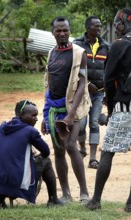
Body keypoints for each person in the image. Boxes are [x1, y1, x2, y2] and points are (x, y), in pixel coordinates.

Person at [86, 8, 131, 212]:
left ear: (121, 25)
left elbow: (108, 79)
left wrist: (112, 105)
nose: (115, 29)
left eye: (117, 25)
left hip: (125, 106)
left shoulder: (119, 45)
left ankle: (96, 200)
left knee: (107, 151)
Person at [41, 16, 91, 204]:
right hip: (54, 109)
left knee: (71, 146)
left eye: (65, 30)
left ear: (70, 31)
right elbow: (49, 84)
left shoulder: (79, 53)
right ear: (53, 32)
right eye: (58, 30)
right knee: (58, 150)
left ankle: (85, 193)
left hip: (73, 109)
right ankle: (66, 194)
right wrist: (45, 116)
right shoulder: (51, 53)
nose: (62, 33)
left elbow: (82, 84)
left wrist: (70, 116)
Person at [0, 100, 62, 208]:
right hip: (15, 180)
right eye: (33, 115)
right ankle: (53, 199)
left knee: (9, 164)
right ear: (22, 115)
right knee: (46, 161)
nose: (36, 118)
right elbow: (46, 151)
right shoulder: (30, 131)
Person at [73, 16, 110, 169]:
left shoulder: (106, 46)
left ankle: (93, 158)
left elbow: (109, 70)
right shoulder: (77, 45)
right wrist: (87, 84)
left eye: (100, 26)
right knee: (81, 124)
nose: (99, 29)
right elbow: (73, 69)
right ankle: (82, 149)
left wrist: (108, 92)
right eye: (96, 26)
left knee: (94, 123)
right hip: (82, 92)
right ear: (88, 28)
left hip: (99, 92)